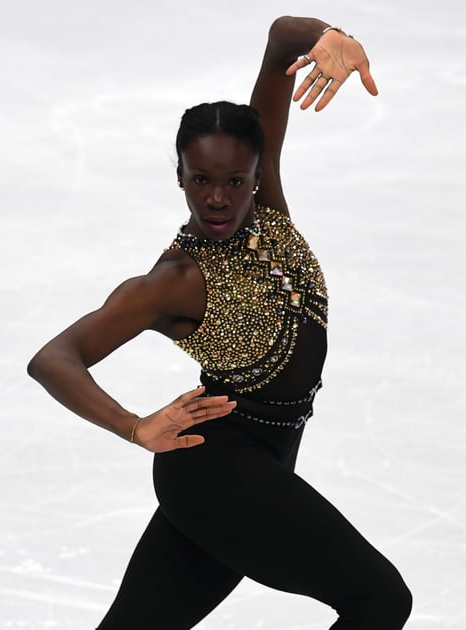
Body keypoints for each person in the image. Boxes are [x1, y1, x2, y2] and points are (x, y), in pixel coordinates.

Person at [27, 15, 412, 630]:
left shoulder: (268, 208)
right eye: (201, 180)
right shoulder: (175, 280)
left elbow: (283, 36)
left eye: (235, 181)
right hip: (217, 470)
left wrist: (327, 36)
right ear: (179, 175)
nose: (217, 198)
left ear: (258, 176)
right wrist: (134, 426)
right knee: (380, 600)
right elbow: (53, 358)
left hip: (259, 461)